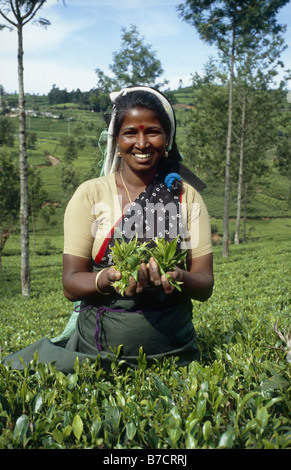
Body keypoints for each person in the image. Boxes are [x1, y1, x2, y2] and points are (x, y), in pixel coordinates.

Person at [3, 86, 213, 374]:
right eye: (130, 133)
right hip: (96, 357)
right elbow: (70, 283)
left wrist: (176, 277)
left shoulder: (186, 196)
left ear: (167, 138)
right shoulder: (90, 194)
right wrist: (110, 277)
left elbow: (205, 284)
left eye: (152, 131)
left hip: (175, 355)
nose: (142, 143)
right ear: (116, 139)